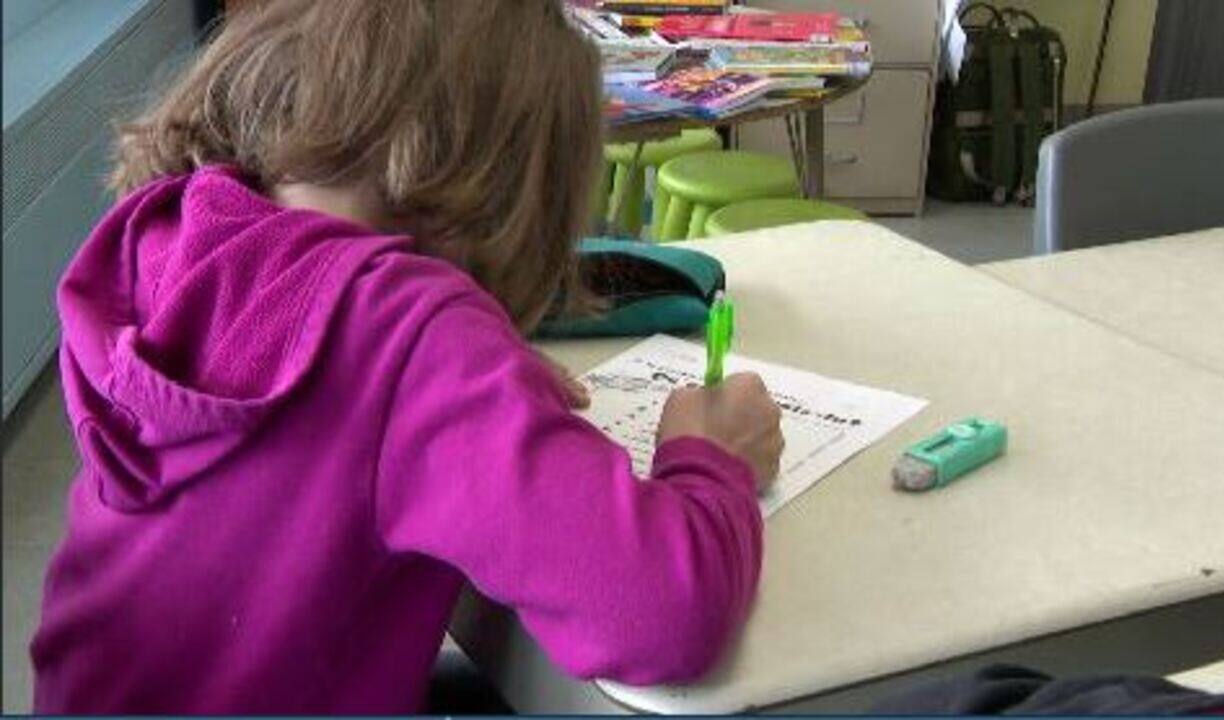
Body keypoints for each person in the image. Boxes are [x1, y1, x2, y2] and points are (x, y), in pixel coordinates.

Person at [31, 1, 783, 712]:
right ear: (512, 177)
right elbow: (657, 615)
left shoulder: (167, 235)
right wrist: (710, 457)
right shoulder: (412, 341)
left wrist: (473, 374)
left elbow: (313, 412)